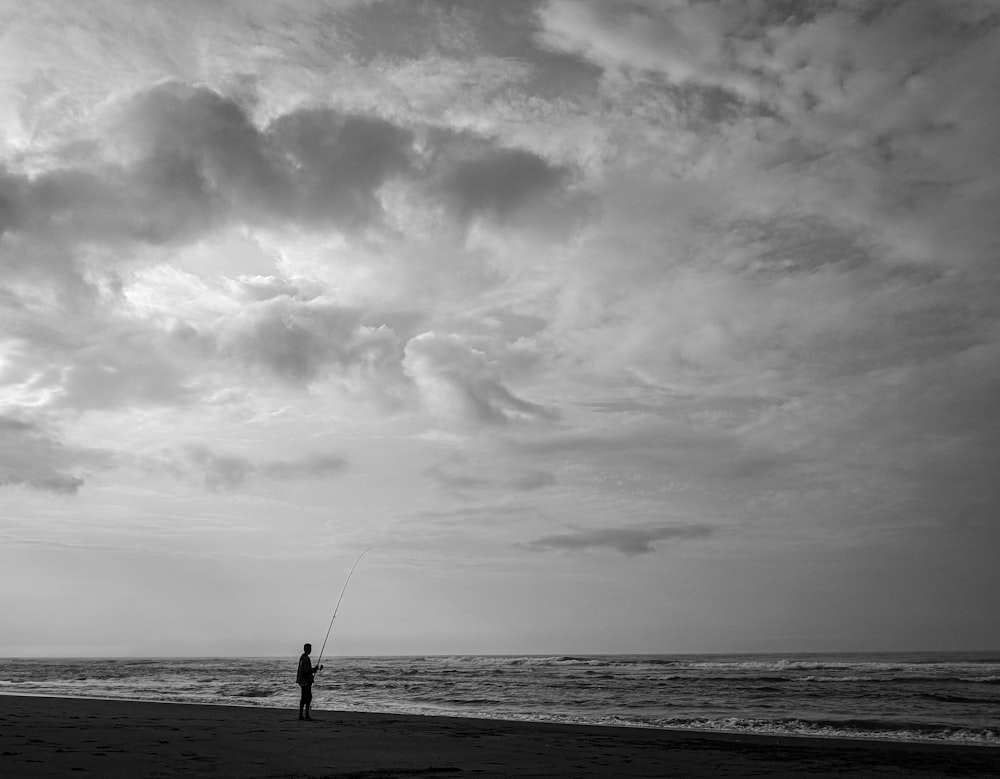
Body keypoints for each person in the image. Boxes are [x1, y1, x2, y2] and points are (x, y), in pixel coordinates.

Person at [296, 643, 323, 720]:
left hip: (302, 680)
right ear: (307, 649)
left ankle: (301, 715)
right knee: (307, 697)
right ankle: (305, 715)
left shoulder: (303, 657)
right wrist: (315, 669)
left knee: (304, 697)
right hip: (305, 681)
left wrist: (315, 669)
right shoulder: (305, 658)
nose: (311, 650)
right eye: (310, 648)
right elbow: (307, 670)